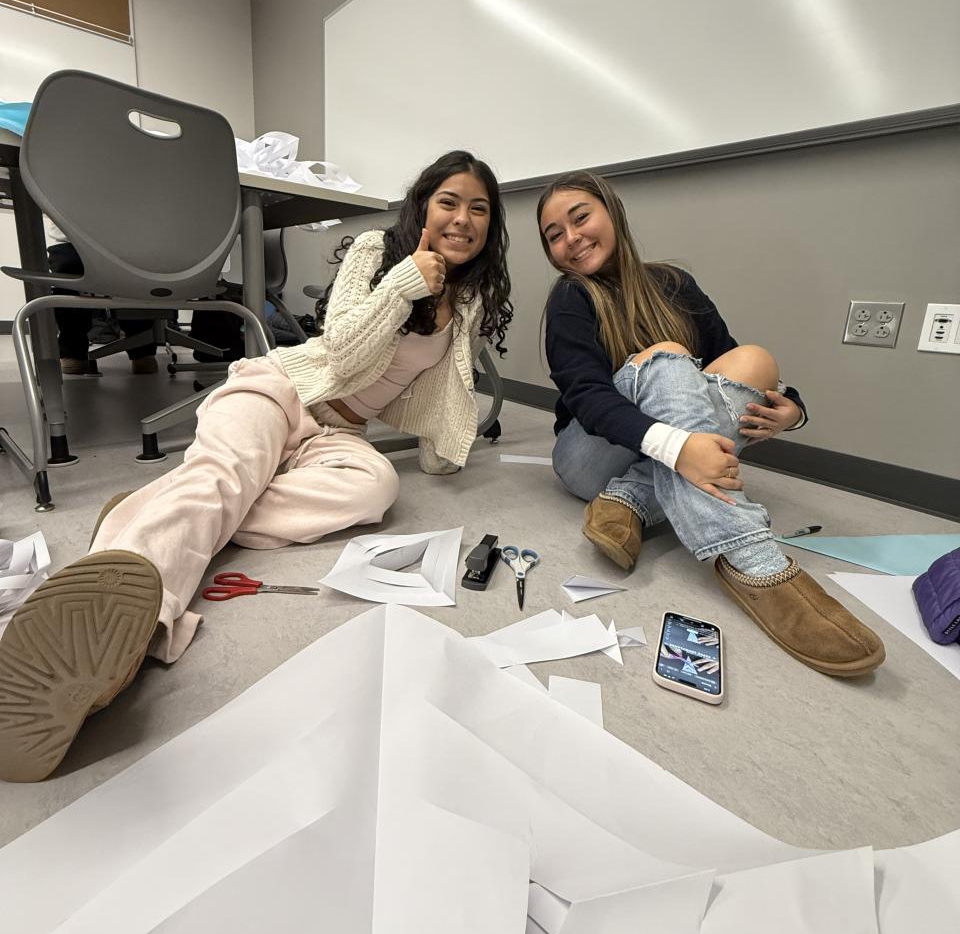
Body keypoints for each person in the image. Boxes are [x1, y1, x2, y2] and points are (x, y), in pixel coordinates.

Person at [0, 151, 512, 782]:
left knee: (376, 487)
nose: (463, 219)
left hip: (339, 432)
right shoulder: (378, 252)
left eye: (479, 209)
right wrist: (403, 283)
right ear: (423, 206)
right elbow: (342, 351)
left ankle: (169, 504)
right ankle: (137, 624)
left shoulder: (469, 299)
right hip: (283, 389)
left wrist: (443, 446)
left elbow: (443, 386)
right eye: (449, 202)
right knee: (228, 477)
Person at [537, 171, 884, 679]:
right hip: (587, 454)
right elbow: (587, 398)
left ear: (613, 212)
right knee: (667, 357)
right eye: (554, 235)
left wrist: (791, 409)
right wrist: (680, 448)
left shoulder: (674, 283)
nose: (571, 238)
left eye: (580, 218)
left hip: (653, 451)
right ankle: (750, 555)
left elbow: (729, 362)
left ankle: (632, 496)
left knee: (757, 361)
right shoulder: (571, 297)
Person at [47, 240, 159, 375]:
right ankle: (143, 351)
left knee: (68, 267)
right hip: (135, 249)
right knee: (136, 271)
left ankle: (73, 353)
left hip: (73, 248)